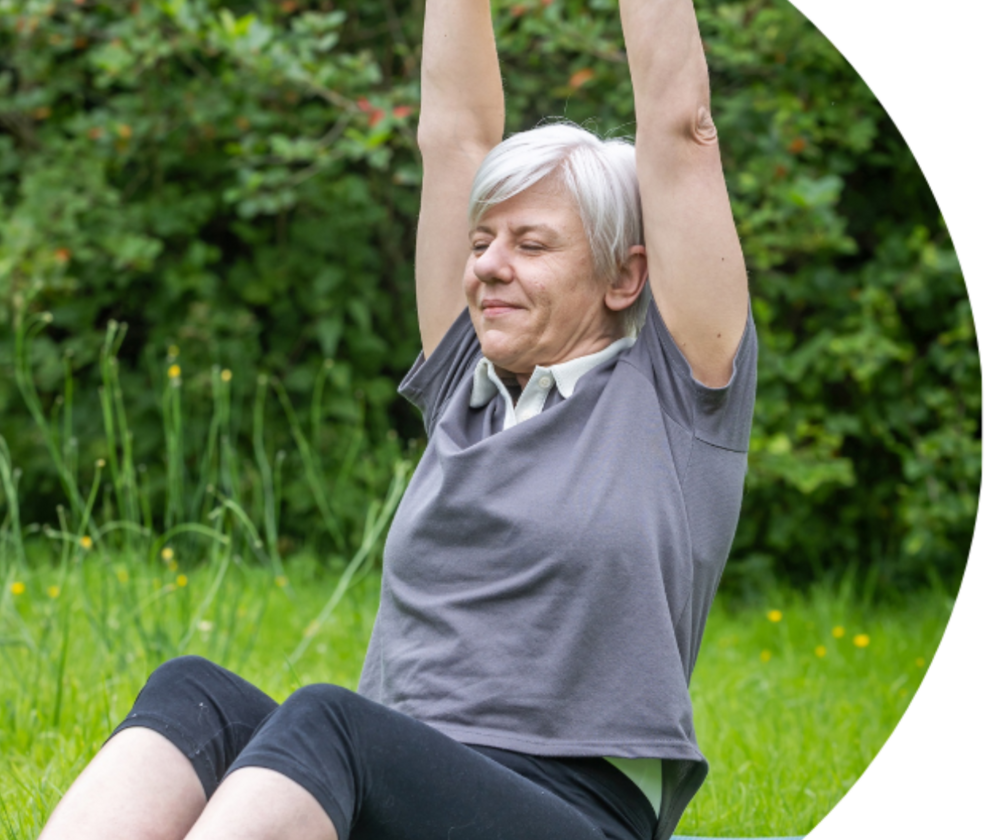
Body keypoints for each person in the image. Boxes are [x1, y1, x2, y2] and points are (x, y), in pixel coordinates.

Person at [38, 0, 755, 838]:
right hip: (403, 771)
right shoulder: (467, 385)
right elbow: (453, 132)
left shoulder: (675, 393)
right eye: (482, 240)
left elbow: (680, 125)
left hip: (574, 810)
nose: (488, 265)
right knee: (192, 694)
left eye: (530, 245)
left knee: (327, 723)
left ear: (624, 278)